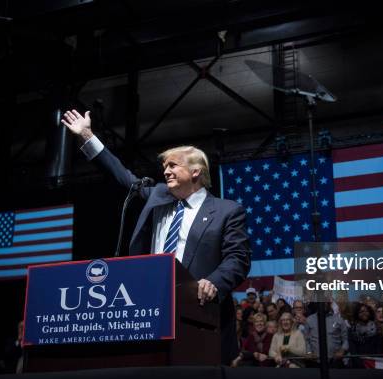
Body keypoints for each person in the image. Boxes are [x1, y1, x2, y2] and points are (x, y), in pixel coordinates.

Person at [62, 110, 251, 364]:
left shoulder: (228, 210)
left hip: (202, 315)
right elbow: (120, 174)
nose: (166, 171)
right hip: (150, 309)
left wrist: (214, 282)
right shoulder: (156, 196)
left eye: (173, 165)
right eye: (164, 167)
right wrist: (87, 135)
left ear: (196, 172)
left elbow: (237, 258)